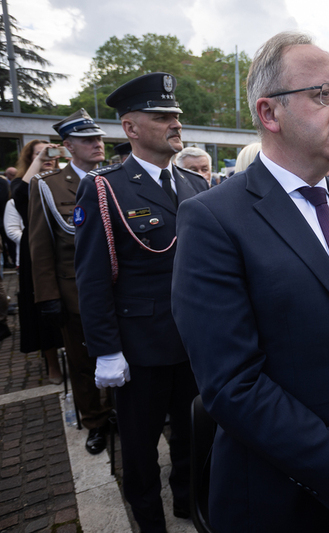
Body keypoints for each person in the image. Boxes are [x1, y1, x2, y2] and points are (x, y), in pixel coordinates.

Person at [170, 31, 329, 532]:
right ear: (270, 113)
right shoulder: (213, 219)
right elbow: (231, 383)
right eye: (324, 95)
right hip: (275, 497)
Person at [74, 72, 208, 532]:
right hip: (141, 346)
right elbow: (92, 279)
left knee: (193, 435)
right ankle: (149, 521)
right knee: (140, 445)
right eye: (162, 116)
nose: (175, 123)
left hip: (192, 343)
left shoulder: (194, 183)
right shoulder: (106, 187)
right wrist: (106, 350)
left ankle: (189, 506)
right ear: (131, 128)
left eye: (176, 115)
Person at [28, 109, 112, 454]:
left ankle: (120, 409)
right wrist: (48, 296)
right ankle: (95, 420)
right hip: (75, 293)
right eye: (88, 140)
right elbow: (40, 245)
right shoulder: (48, 187)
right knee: (83, 363)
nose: (97, 144)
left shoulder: (115, 178)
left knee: (121, 357)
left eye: (99, 138)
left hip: (118, 290)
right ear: (68, 146)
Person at [12, 140, 63, 384]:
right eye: (40, 154)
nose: (47, 157)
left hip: (62, 251)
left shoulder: (62, 180)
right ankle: (52, 363)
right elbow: (21, 195)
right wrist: (39, 160)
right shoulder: (25, 185)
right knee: (43, 311)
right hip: (37, 255)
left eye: (50, 152)